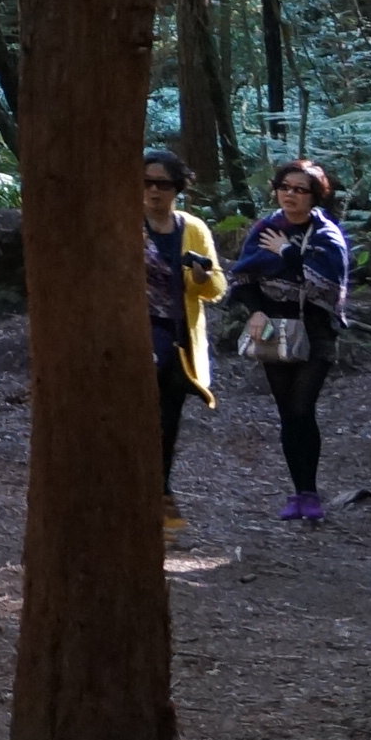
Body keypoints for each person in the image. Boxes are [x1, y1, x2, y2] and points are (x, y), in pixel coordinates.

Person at [228, 156, 351, 522]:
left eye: (300, 190)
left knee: (302, 407)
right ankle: (298, 493)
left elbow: (326, 284)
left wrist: (287, 252)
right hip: (271, 327)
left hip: (315, 330)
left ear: (315, 196)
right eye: (285, 188)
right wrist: (256, 309)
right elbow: (243, 278)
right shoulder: (265, 228)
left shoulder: (327, 235)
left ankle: (311, 494)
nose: (291, 195)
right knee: (287, 412)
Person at [144, 149, 224, 532]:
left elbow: (215, 287)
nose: (154, 191)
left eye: (162, 183)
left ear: (177, 187)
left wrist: (201, 276)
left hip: (179, 340)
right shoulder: (124, 224)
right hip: (135, 337)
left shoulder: (191, 228)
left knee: (167, 423)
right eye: (146, 183)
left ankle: (161, 496)